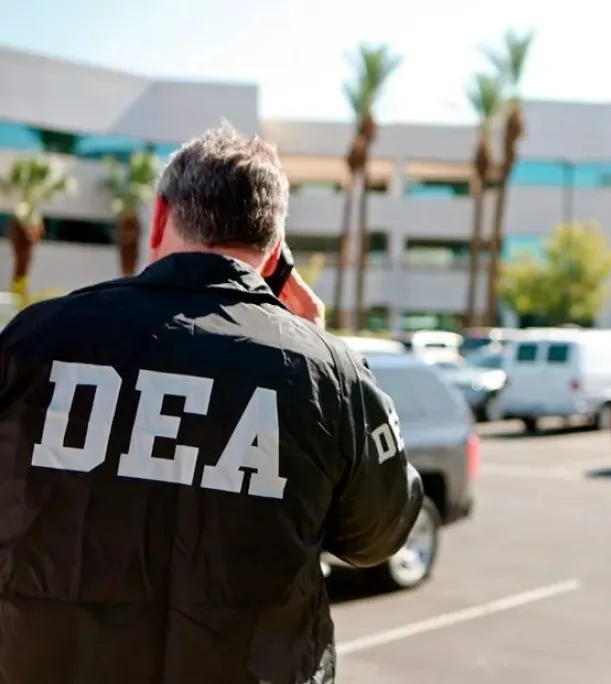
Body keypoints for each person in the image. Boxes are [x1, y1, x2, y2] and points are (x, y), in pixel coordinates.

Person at [0, 124, 424, 684]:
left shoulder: (33, 340)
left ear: (159, 218)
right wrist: (321, 348)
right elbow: (379, 536)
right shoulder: (327, 374)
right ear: (275, 249)